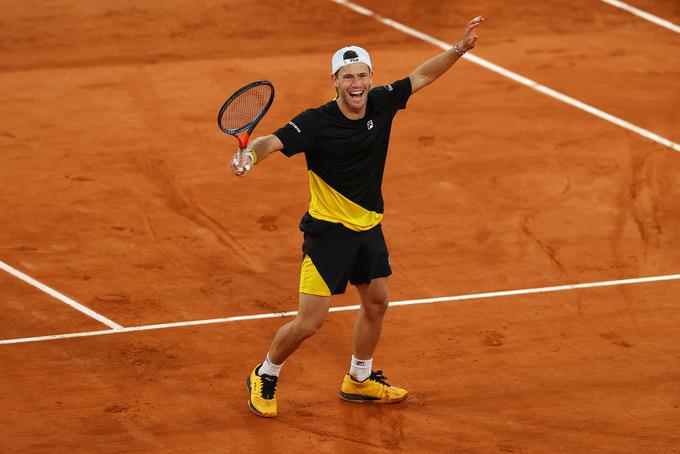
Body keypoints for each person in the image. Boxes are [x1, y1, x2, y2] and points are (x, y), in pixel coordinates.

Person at [233, 16, 485, 418]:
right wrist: (250, 155)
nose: (357, 84)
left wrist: (457, 49)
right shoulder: (315, 122)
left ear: (370, 78)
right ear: (335, 81)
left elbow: (420, 76)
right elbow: (271, 141)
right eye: (348, 76)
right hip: (328, 235)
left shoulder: (382, 101)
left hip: (368, 227)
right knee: (308, 324)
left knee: (377, 301)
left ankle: (359, 379)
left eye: (362, 75)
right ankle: (265, 372)